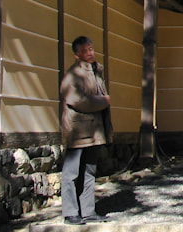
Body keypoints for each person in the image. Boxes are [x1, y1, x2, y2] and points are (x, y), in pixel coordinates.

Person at [60, 36, 112, 226]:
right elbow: (77, 100)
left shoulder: (95, 72)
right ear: (76, 55)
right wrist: (103, 101)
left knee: (89, 171)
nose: (90, 52)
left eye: (91, 48)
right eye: (85, 50)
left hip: (93, 130)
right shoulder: (73, 75)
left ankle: (88, 211)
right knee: (71, 172)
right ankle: (70, 212)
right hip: (77, 131)